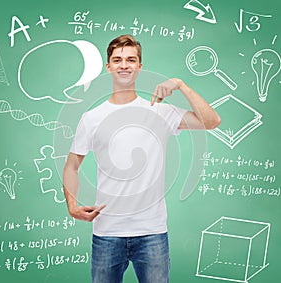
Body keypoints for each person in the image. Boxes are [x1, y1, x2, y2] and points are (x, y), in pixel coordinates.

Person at [63, 34, 221, 283]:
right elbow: (72, 166)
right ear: (108, 66)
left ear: (139, 66)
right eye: (117, 60)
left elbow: (211, 121)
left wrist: (181, 84)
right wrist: (72, 206)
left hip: (152, 233)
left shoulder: (160, 111)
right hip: (107, 233)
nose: (124, 65)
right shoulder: (91, 118)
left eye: (130, 59)